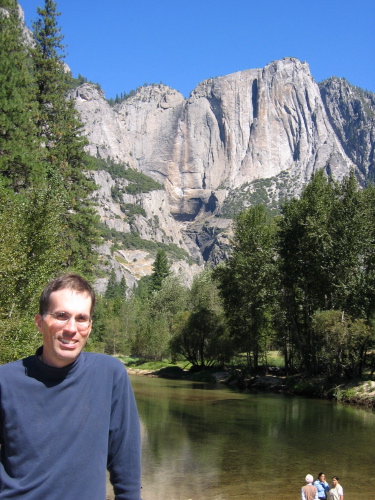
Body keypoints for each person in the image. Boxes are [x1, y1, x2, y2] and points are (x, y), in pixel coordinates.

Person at [0, 273, 142, 500]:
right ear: (39, 322)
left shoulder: (110, 374)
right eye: (61, 316)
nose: (71, 328)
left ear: (90, 326)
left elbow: (126, 460)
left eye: (81, 318)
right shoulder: (5, 380)